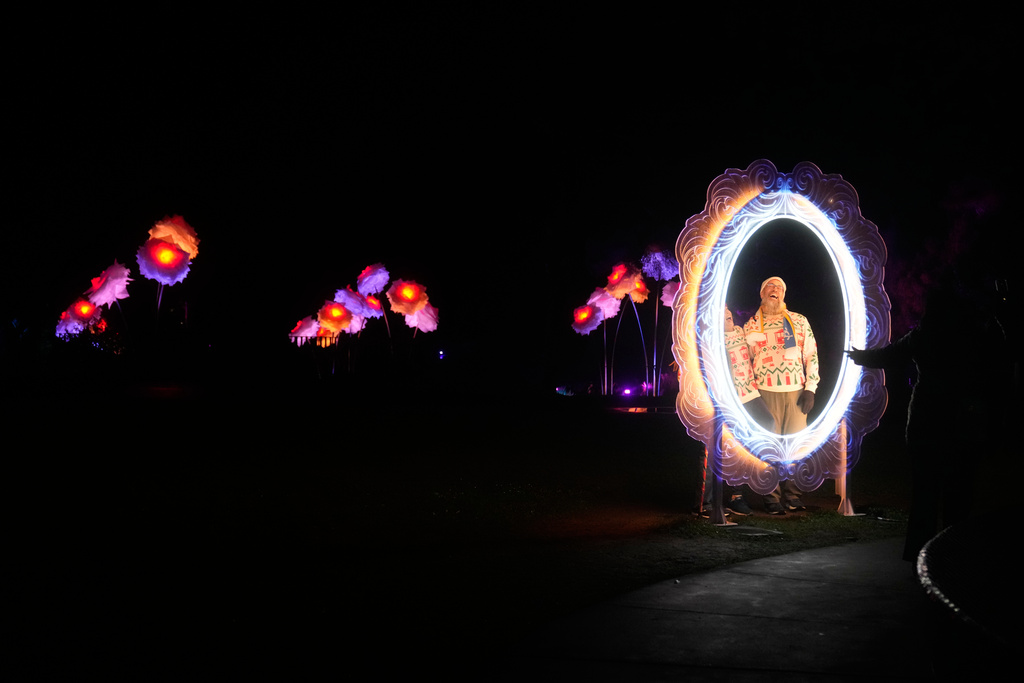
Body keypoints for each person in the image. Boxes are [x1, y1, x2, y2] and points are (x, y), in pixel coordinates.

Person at [744, 277, 819, 514]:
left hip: (795, 391)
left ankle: (793, 494)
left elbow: (811, 354)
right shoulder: (751, 325)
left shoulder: (798, 321)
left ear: (784, 294)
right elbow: (744, 362)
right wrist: (749, 394)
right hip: (764, 392)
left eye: (779, 288)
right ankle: (771, 496)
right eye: (770, 286)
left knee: (795, 445)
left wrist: (810, 388)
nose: (774, 290)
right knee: (769, 446)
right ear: (761, 293)